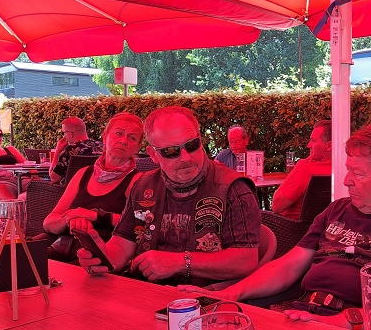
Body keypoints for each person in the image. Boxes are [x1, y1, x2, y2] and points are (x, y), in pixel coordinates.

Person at [182, 122, 371, 330]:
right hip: (303, 315)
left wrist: (342, 323)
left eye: (357, 173)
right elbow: (288, 266)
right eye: (348, 170)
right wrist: (230, 293)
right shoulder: (337, 210)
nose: (346, 180)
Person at [77, 106, 261, 286]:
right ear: (153, 155)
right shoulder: (143, 185)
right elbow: (122, 243)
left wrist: (179, 263)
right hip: (143, 291)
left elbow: (246, 260)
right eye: (171, 151)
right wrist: (103, 257)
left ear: (200, 141)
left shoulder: (234, 189)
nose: (186, 157)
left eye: (192, 145)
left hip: (202, 297)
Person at [42, 113, 144, 261]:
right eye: (119, 133)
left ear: (138, 147)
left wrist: (96, 216)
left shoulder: (138, 181)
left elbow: (140, 225)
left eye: (132, 138)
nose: (123, 141)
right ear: (105, 137)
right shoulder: (84, 174)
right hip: (62, 248)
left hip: (101, 256)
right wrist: (71, 219)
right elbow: (49, 222)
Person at [271, 120, 332, 219]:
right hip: (322, 224)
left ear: (329, 145)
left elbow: (276, 206)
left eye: (313, 140)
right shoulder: (343, 169)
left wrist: (299, 165)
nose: (308, 145)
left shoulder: (307, 169)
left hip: (289, 226)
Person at [49, 117, 103, 184]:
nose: (64, 136)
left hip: (73, 189)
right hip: (96, 187)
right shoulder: (101, 146)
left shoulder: (71, 150)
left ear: (71, 134)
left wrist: (57, 151)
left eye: (64, 132)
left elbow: (53, 178)